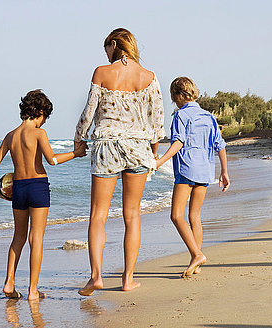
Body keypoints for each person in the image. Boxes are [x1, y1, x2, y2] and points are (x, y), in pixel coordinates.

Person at [74, 28, 166, 295]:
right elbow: (157, 119)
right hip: (138, 147)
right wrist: (153, 151)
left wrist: (79, 139)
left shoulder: (102, 72)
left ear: (113, 44)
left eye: (107, 49)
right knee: (132, 215)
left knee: (98, 215)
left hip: (107, 146)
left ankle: (96, 277)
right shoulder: (149, 76)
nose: (106, 54)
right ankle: (127, 279)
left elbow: (89, 111)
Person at [0, 89, 87, 300]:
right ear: (40, 111)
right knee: (37, 238)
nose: (44, 123)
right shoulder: (39, 133)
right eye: (45, 118)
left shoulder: (10, 136)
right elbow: (51, 160)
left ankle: (9, 282)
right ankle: (33, 290)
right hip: (37, 186)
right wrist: (76, 154)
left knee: (18, 237)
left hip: (18, 188)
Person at [156, 76, 230, 277]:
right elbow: (220, 145)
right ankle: (196, 263)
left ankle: (197, 255)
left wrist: (158, 162)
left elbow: (178, 142)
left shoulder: (180, 116)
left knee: (176, 215)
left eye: (174, 97)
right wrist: (224, 171)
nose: (175, 101)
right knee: (195, 217)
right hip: (206, 171)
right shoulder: (208, 116)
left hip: (187, 169)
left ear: (179, 95)